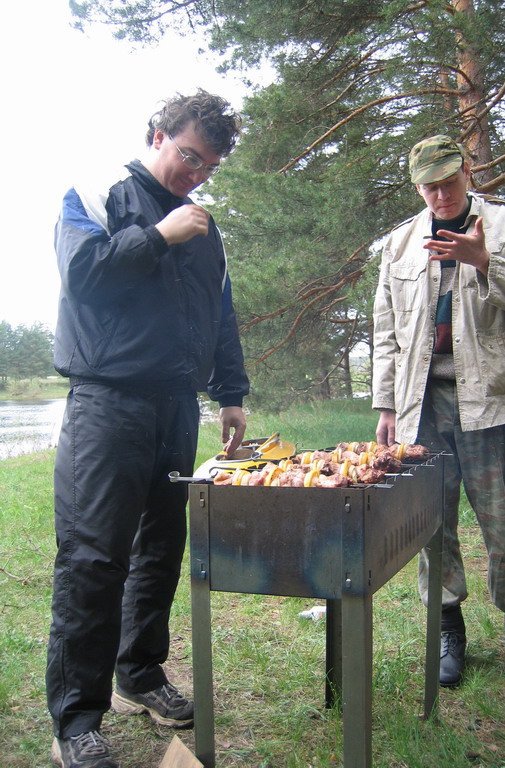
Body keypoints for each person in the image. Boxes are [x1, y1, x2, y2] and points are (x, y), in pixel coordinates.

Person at [47, 90, 250, 768]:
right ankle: (77, 719)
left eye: (209, 166)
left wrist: (230, 393)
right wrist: (160, 235)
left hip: (176, 407)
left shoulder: (205, 227)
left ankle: (138, 673)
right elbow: (83, 275)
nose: (196, 174)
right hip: (107, 404)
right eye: (189, 156)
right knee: (93, 557)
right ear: (157, 134)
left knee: (162, 548)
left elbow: (220, 312)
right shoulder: (98, 194)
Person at [372, 135, 505, 687]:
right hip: (422, 405)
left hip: (490, 401)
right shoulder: (400, 242)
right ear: (417, 187)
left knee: (504, 521)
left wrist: (485, 261)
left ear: (467, 172)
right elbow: (386, 329)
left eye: (449, 182)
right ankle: (447, 628)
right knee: (432, 524)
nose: (441, 194)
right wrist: (386, 403)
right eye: (429, 186)